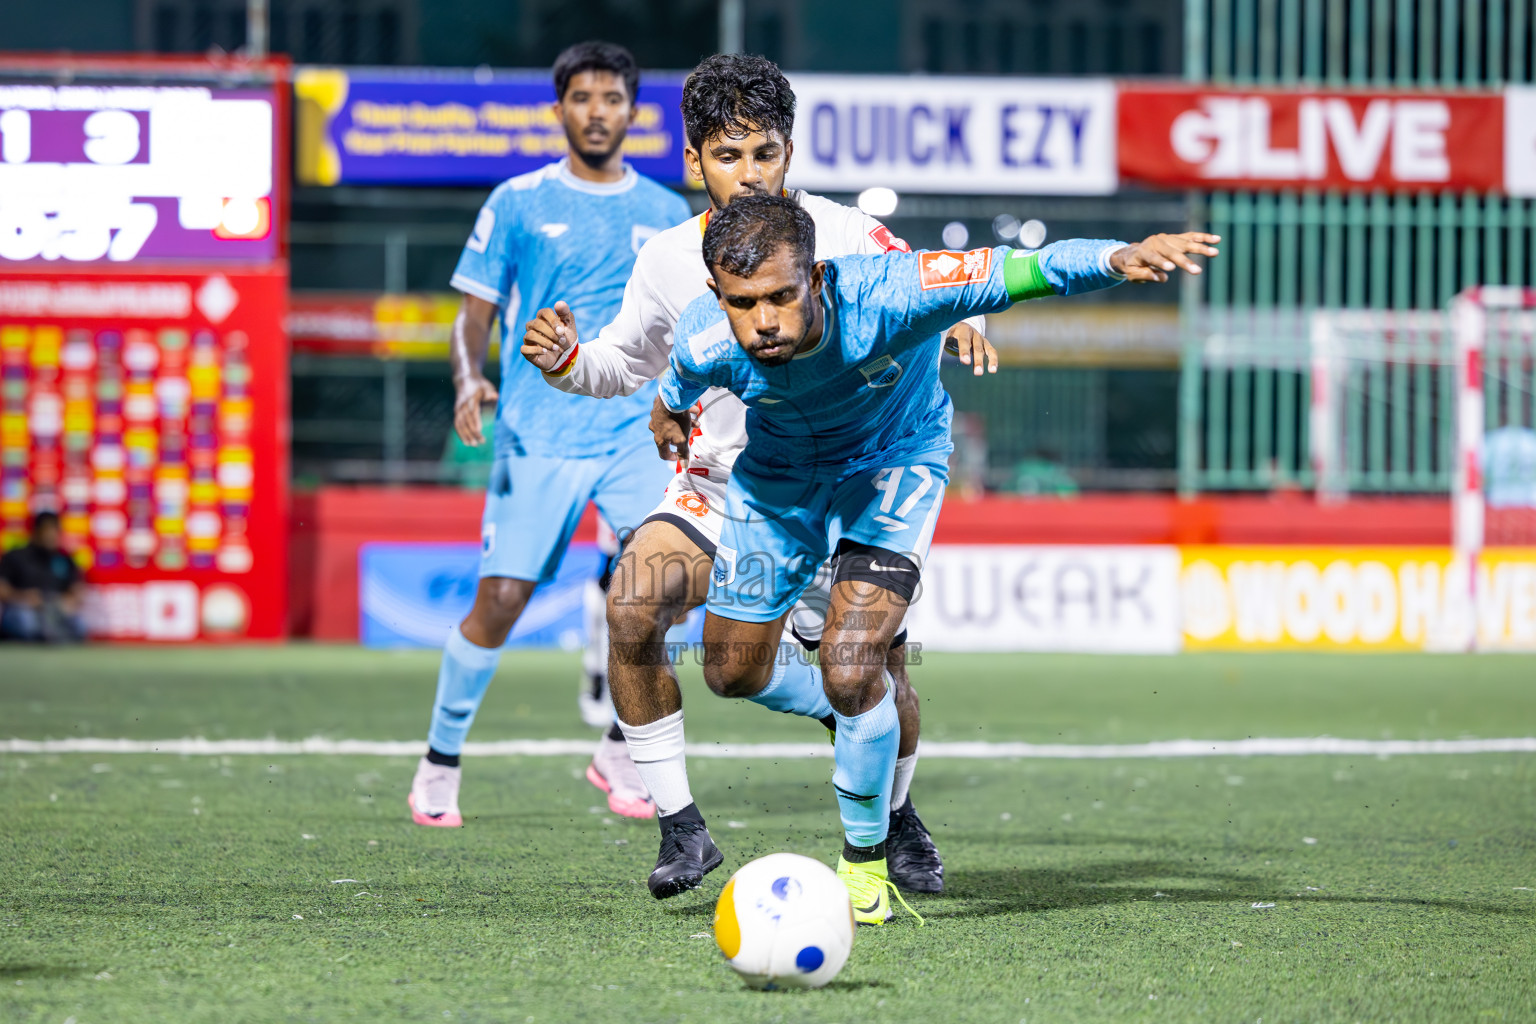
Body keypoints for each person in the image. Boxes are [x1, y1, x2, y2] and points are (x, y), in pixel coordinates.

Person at [655, 194, 1218, 923]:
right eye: (743, 303)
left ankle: (863, 865)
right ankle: (860, 718)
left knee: (851, 663)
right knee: (730, 674)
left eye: (782, 296)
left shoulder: (896, 293)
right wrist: (668, 415)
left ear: (817, 276)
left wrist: (1118, 256)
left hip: (893, 467)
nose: (764, 321)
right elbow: (673, 391)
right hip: (779, 483)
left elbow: (1028, 269)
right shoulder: (704, 338)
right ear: (716, 293)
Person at [522, 54, 994, 899]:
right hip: (719, 488)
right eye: (728, 155)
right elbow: (622, 363)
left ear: (789, 153)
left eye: (766, 153)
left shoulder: (845, 235)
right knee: (631, 605)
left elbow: (926, 284)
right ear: (693, 160)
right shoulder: (667, 259)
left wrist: (964, 321)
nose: (749, 174)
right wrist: (567, 361)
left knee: (872, 671)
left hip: (844, 488)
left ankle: (896, 817)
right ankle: (682, 831)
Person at [406, 41, 692, 828]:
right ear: (560, 108)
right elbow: (475, 313)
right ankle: (439, 761)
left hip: (635, 432)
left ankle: (621, 750)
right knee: (501, 600)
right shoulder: (518, 201)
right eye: (583, 98)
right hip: (540, 432)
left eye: (612, 99)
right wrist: (468, 378)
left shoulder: (669, 213)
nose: (597, 112)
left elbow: (686, 324)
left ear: (633, 112)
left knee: (668, 588)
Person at [0, 511, 87, 643]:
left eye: (55, 530)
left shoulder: (64, 559)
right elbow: (2, 588)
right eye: (47, 530)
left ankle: (51, 635)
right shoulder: (16, 556)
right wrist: (22, 597)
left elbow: (76, 590)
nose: (52, 535)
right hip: (23, 608)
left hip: (55, 610)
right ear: (36, 531)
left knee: (79, 625)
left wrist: (66, 602)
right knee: (26, 622)